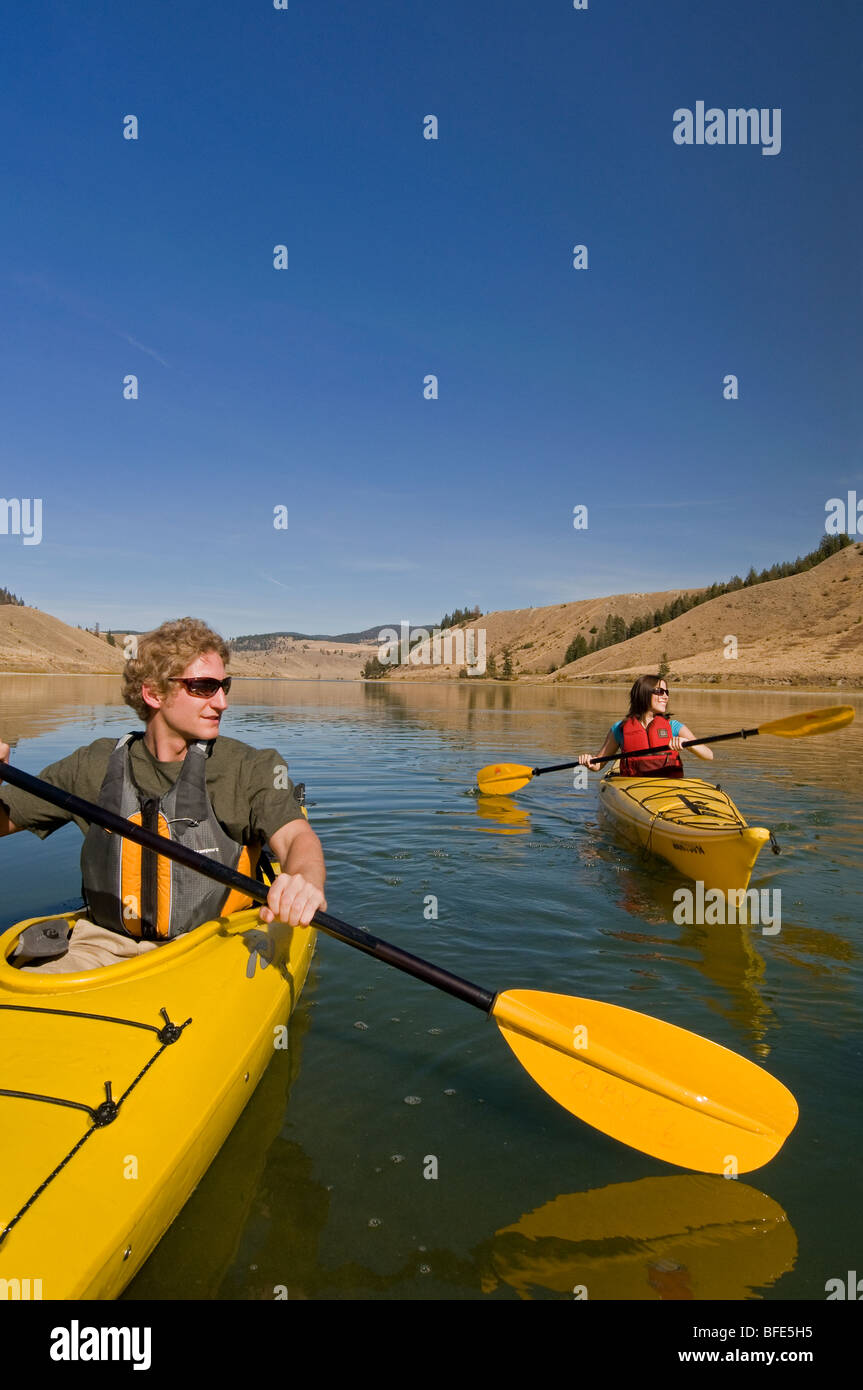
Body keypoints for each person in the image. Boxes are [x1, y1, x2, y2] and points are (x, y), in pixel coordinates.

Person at [0, 616, 327, 972]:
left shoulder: (249, 767)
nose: (222, 703)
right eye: (203, 686)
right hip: (103, 945)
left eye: (224, 685)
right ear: (153, 692)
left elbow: (297, 837)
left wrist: (303, 882)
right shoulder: (92, 765)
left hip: (216, 943)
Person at [578, 674, 713, 776]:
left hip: (669, 786)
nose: (665, 697)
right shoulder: (619, 729)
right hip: (635, 789)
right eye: (660, 692)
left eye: (667, 692)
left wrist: (687, 743)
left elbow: (708, 755)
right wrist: (588, 760)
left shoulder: (674, 727)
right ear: (644, 694)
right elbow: (598, 765)